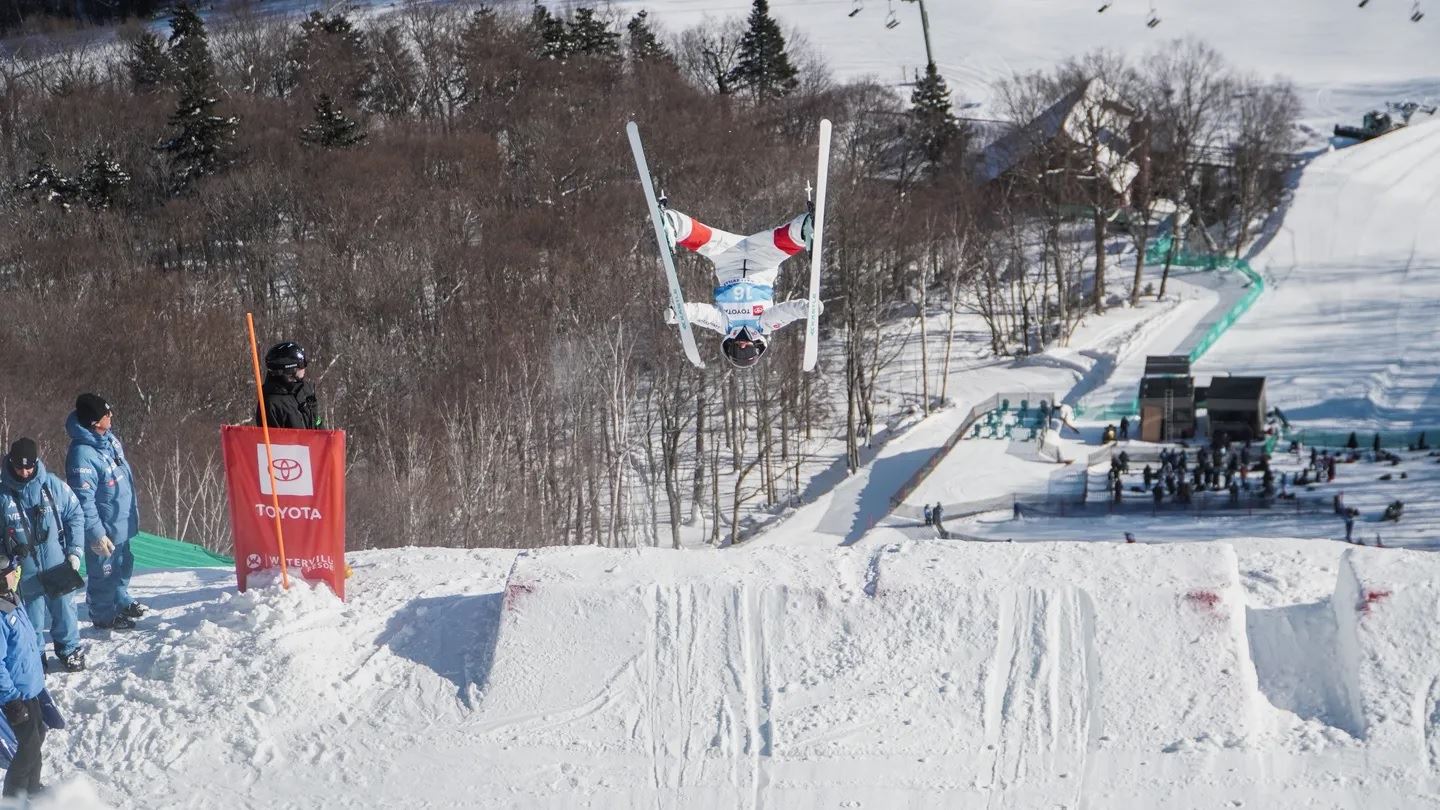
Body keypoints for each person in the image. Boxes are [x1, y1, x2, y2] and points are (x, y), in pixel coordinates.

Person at [661, 208, 820, 368]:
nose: (743, 347)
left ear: (730, 346)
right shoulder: (764, 324)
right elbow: (786, 312)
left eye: (738, 351)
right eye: (747, 352)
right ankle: (804, 228)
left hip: (727, 257)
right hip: (762, 260)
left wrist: (679, 313)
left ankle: (671, 222)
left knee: (703, 239)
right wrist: (806, 309)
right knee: (783, 243)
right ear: (757, 347)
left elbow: (701, 313)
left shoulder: (725, 325)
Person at [0, 439, 87, 672]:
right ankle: (35, 655)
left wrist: (75, 551)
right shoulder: (3, 495)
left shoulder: (52, 486)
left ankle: (69, 649)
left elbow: (76, 515)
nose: (24, 472)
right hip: (23, 570)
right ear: (10, 463)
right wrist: (5, 559)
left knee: (65, 610)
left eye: (29, 467)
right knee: (31, 617)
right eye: (19, 467)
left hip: (56, 562)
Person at [66, 394, 145, 630]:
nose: (110, 416)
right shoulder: (82, 455)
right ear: (94, 422)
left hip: (121, 522)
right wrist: (96, 534)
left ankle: (120, 599)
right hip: (104, 529)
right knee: (104, 573)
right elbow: (83, 501)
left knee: (124, 563)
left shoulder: (108, 439)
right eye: (106, 414)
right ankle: (103, 615)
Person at [0, 555, 46, 798]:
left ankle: (32, 789)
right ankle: (11, 800)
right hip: (15, 695)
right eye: (10, 572)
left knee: (38, 737)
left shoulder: (14, 601)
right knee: (27, 747)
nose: (15, 574)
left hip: (31, 689)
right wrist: (11, 699)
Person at [258, 342, 323, 430]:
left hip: (315, 442)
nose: (304, 368)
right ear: (289, 369)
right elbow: (274, 441)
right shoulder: (271, 404)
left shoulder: (305, 391)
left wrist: (326, 437)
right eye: (301, 364)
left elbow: (316, 420)